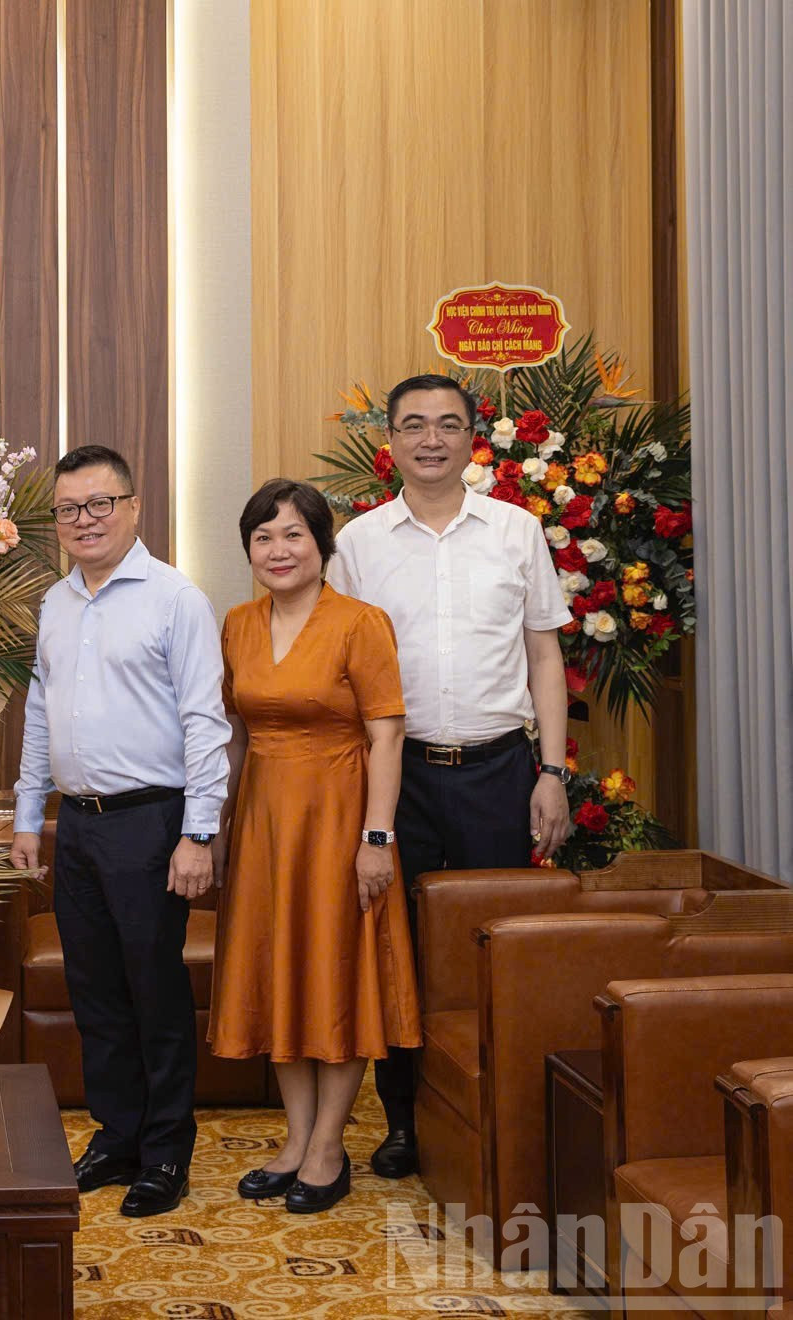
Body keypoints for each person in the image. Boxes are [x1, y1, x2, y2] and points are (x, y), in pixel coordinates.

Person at [326, 374, 575, 1179]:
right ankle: (404, 1120)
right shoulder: (359, 544)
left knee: (495, 947)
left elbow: (544, 656)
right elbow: (340, 669)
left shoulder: (516, 530)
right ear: (390, 442)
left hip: (499, 770)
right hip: (398, 777)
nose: (430, 439)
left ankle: (501, 1115)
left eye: (446, 424)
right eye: (413, 425)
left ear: (472, 436)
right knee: (398, 950)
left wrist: (551, 772)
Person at [9, 444, 230, 1218]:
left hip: (151, 822)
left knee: (154, 991)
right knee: (95, 991)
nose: (85, 520)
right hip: (76, 824)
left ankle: (166, 1152)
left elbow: (205, 720)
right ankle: (117, 1135)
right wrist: (29, 816)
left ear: (134, 508)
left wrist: (198, 832)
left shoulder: (176, 599)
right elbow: (40, 715)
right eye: (69, 509)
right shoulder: (56, 602)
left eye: (100, 504)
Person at [207, 479, 421, 1214]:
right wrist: (220, 828)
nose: (279, 550)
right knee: (280, 973)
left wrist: (376, 838)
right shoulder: (238, 624)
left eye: (293, 534)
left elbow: (387, 736)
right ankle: (296, 1140)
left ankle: (330, 1146)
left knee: (336, 971)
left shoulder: (360, 623)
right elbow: (235, 737)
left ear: (322, 545)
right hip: (264, 821)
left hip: (339, 815)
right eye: (263, 537)